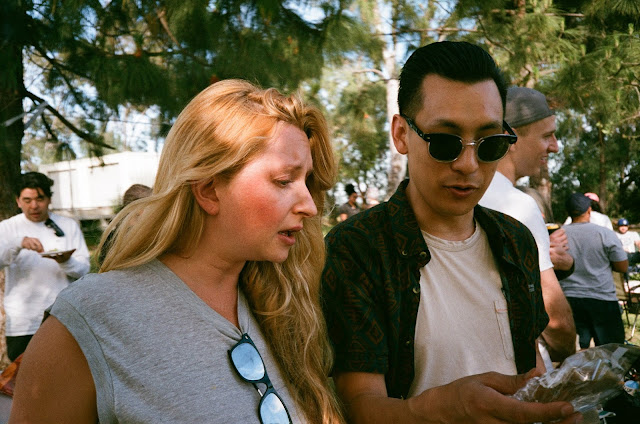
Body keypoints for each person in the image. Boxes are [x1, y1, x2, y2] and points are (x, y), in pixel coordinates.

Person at [11, 80, 344, 423]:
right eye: (284, 181)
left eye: (306, 182)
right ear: (209, 190)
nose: (308, 206)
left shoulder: (281, 306)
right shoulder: (93, 319)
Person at [322, 41, 580, 423]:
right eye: (445, 142)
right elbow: (358, 405)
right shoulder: (358, 248)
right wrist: (436, 411)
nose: (468, 164)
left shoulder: (516, 240)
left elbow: (528, 370)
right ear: (401, 134)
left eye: (489, 143)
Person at [479, 86, 576, 363]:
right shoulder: (518, 205)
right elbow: (554, 320)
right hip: (520, 369)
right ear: (509, 137)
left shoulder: (467, 194)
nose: (555, 146)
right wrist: (568, 351)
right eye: (547, 135)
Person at [0, 172, 90, 361]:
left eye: (40, 199)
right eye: (27, 200)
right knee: (21, 375)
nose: (34, 206)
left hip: (62, 316)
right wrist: (18, 243)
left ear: (49, 199)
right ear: (18, 201)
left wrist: (65, 261)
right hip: (22, 321)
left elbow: (84, 270)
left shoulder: (68, 225)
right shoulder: (7, 228)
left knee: (64, 371)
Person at [560, 193, 628, 349]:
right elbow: (622, 267)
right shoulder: (605, 233)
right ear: (589, 210)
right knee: (611, 352)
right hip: (602, 299)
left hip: (569, 299)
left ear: (568, 212)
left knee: (576, 353)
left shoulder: (558, 235)